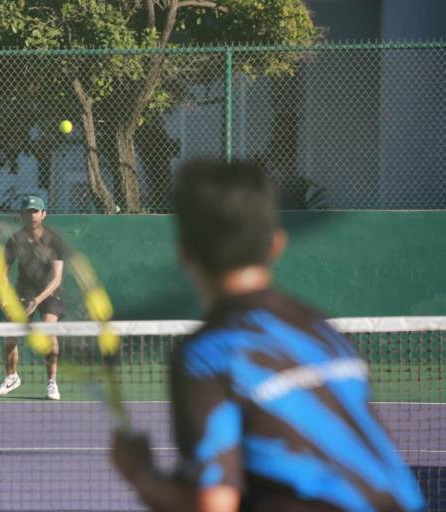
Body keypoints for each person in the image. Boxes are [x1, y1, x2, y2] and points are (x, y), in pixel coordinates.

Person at [112, 160, 424, 512]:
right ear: (276, 244)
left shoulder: (207, 355)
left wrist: (141, 475)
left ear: (184, 251)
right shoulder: (321, 330)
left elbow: (212, 506)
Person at [0, 195, 66, 400]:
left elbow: (57, 278)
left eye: (36, 211)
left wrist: (38, 301)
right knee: (10, 337)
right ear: (22, 215)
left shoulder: (54, 240)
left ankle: (52, 383)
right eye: (28, 211)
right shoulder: (15, 240)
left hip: (50, 293)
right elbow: (2, 272)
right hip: (23, 293)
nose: (32, 215)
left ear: (43, 214)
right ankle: (11, 377)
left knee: (49, 333)